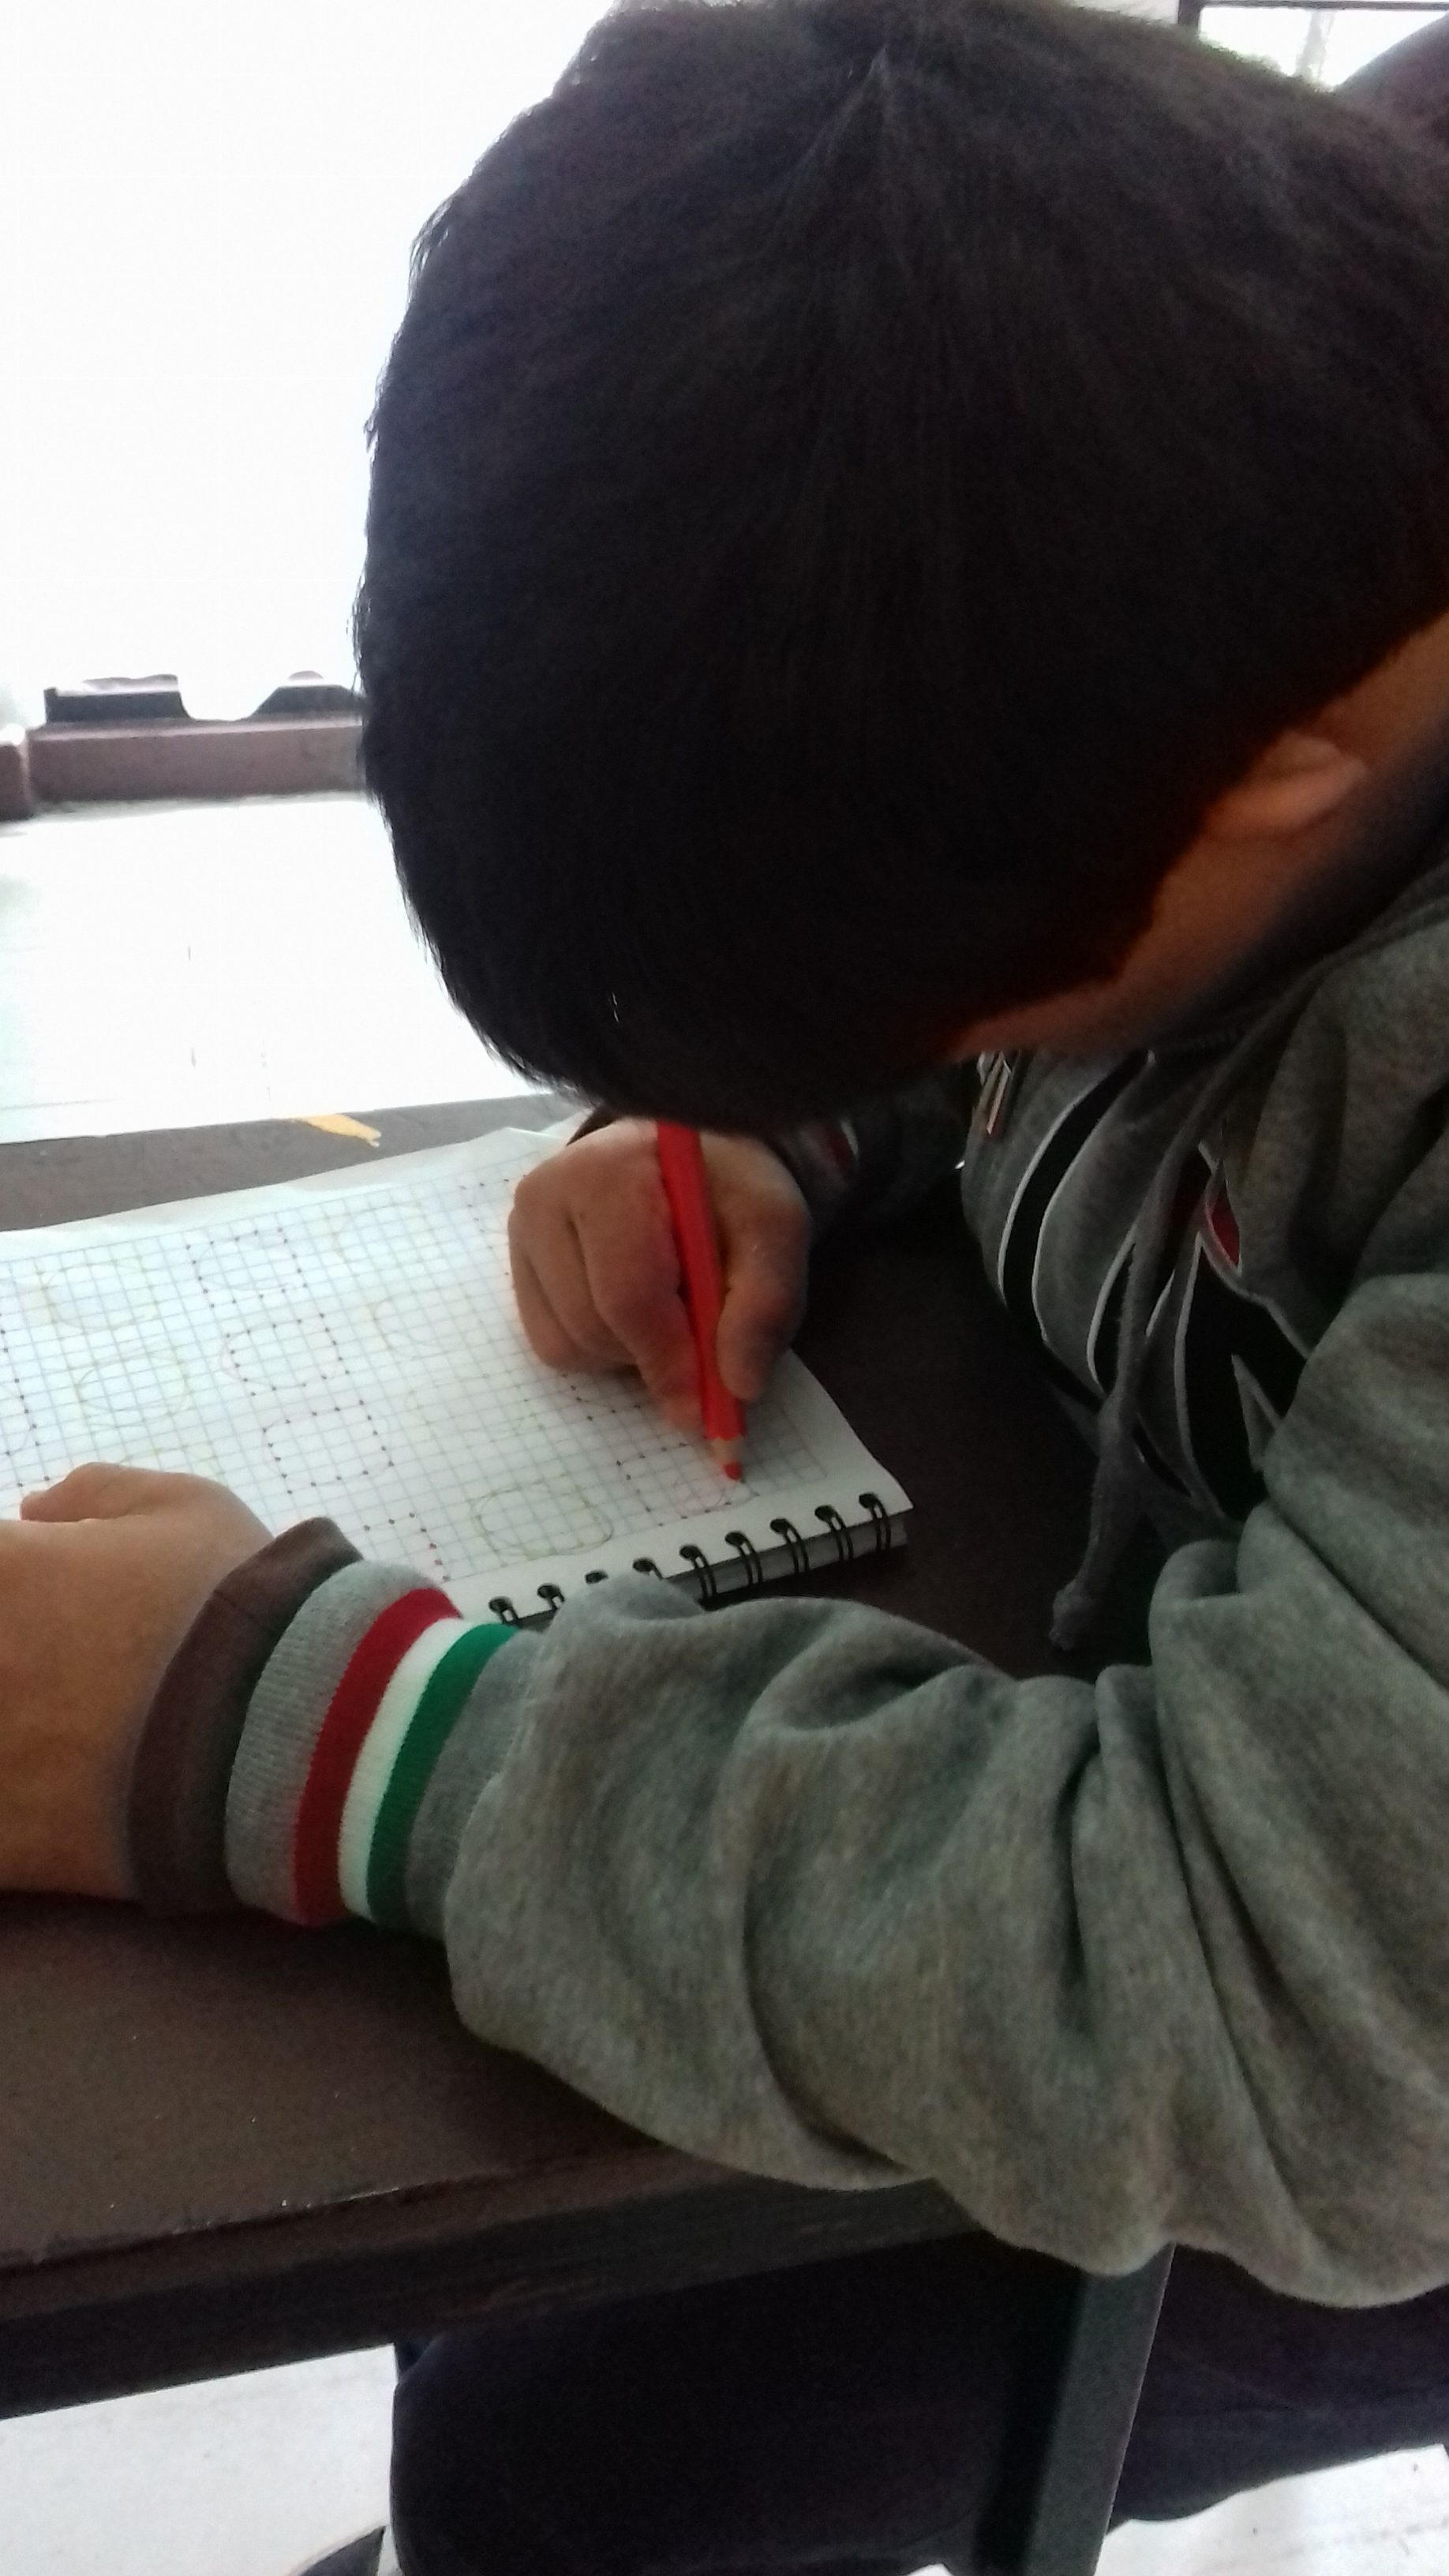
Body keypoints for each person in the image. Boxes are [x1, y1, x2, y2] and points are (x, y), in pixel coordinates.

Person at [5, 5, 1449, 2572]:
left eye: (968, 1007)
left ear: (1279, 778)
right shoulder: (1209, 364)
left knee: (616, 2427)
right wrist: (774, 1114)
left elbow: (1305, 2017)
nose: (950, 1050)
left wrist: (292, 1733)